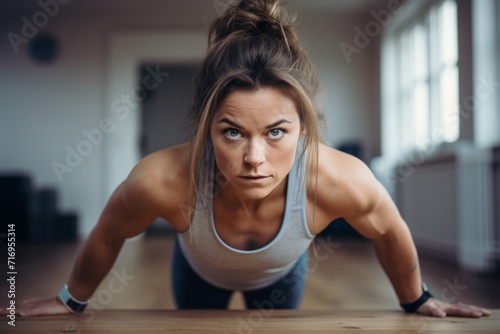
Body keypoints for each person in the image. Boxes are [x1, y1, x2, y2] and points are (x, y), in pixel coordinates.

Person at [1, 0, 490, 318]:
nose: (254, 158)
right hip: (196, 271)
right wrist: (72, 301)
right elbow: (109, 232)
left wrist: (417, 299)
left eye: (277, 132)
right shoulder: (161, 179)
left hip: (283, 276)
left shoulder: (340, 178)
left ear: (303, 127)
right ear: (206, 124)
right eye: (232, 132)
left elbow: (390, 230)